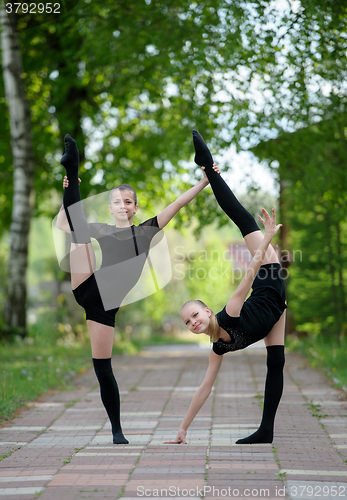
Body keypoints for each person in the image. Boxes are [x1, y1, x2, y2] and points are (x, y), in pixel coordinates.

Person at [55, 134, 216, 444]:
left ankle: (117, 430)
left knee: (103, 368)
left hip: (103, 308)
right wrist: (68, 189)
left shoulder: (146, 232)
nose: (122, 205)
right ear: (111, 206)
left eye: (128, 201)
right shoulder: (101, 228)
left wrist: (203, 183)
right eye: (117, 201)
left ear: (135, 207)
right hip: (86, 284)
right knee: (78, 230)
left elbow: (177, 204)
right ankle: (72, 164)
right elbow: (65, 223)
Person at [164, 130, 287, 445]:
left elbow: (250, 272)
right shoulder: (218, 347)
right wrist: (182, 430)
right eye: (188, 322)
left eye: (195, 315)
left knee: (241, 218)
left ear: (206, 310)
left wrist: (269, 237)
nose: (193, 323)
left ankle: (207, 167)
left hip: (267, 276)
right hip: (275, 310)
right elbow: (205, 388)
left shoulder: (228, 314)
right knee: (276, 362)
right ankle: (267, 431)